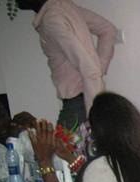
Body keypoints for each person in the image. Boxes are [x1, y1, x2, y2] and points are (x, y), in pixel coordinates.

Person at [15, 0, 117, 129]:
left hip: (79, 106)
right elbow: (108, 30)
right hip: (84, 100)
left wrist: (94, 120)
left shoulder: (51, 20)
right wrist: (99, 68)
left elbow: (88, 66)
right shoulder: (65, 8)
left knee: (56, 143)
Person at [0, 97, 37, 182]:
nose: (0, 122)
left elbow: (37, 159)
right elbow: (9, 180)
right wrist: (13, 138)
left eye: (2, 115)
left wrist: (35, 129)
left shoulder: (17, 131)